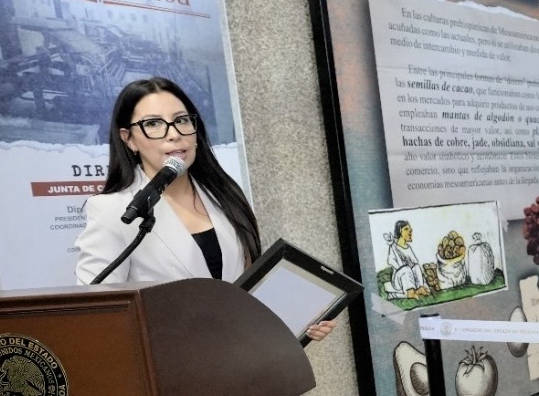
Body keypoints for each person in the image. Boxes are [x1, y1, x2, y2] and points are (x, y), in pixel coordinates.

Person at [75, 77, 335, 340]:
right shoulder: (113, 210)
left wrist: (299, 317)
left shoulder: (224, 195)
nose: (174, 133)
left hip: (244, 355)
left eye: (181, 120)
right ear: (129, 139)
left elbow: (246, 293)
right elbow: (98, 314)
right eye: (153, 124)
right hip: (172, 361)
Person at [385, 220, 431, 300]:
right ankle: (410, 292)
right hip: (399, 280)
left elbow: (415, 262)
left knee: (416, 266)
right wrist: (403, 266)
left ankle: (420, 288)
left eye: (410, 229)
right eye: (406, 229)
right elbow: (391, 261)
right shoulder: (393, 247)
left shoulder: (408, 248)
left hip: (411, 277)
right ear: (400, 231)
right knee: (405, 269)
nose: (410, 231)